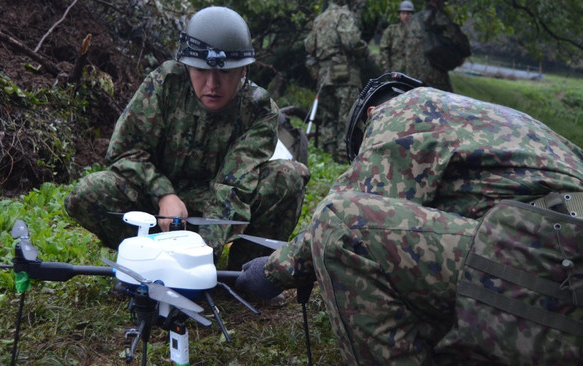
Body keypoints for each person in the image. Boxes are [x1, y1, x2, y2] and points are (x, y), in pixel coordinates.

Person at [236, 73, 583, 364]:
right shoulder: (485, 122)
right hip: (554, 259)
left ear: (372, 114)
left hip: (554, 260)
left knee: (339, 223)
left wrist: (270, 271)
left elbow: (356, 208)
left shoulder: (406, 110)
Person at [64, 6, 310, 271]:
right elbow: (125, 151)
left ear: (243, 71)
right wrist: (163, 193)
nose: (212, 84)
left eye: (225, 73)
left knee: (288, 176)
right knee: (88, 193)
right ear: (187, 66)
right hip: (158, 206)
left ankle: (249, 272)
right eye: (201, 71)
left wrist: (199, 257)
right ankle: (146, 260)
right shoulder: (165, 85)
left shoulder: (259, 109)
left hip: (218, 206)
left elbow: (233, 188)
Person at [304, 0, 368, 162]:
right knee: (347, 115)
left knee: (328, 116)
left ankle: (328, 154)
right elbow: (351, 42)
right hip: (345, 74)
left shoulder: (320, 19)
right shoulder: (344, 15)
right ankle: (344, 155)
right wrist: (364, 50)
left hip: (323, 76)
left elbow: (309, 45)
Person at [405, 0, 471, 91]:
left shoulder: (412, 20)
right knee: (445, 100)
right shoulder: (439, 16)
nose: (443, 3)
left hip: (412, 74)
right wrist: (463, 54)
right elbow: (459, 39)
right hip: (433, 73)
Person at [378, 0, 414, 73]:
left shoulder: (417, 32)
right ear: (399, 15)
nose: (406, 16)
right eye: (403, 13)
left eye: (408, 13)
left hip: (413, 72)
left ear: (412, 15)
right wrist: (386, 70)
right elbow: (384, 51)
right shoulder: (391, 31)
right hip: (396, 71)